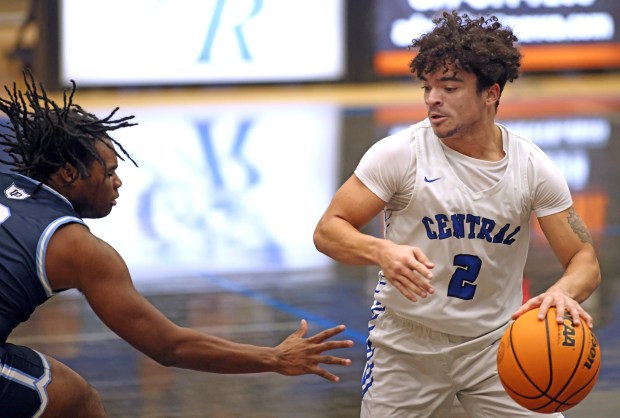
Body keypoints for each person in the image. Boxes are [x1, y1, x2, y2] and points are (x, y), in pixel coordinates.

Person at [0, 72, 354, 418]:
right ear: (68, 174)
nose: (118, 182)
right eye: (108, 172)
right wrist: (274, 358)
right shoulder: (78, 248)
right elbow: (169, 346)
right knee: (75, 400)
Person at [313, 11, 601, 418]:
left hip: (496, 345)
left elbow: (584, 259)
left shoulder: (532, 167)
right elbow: (328, 230)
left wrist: (562, 292)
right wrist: (381, 251)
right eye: (428, 87)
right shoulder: (401, 153)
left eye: (449, 87)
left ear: (491, 94)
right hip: (407, 346)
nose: (433, 98)